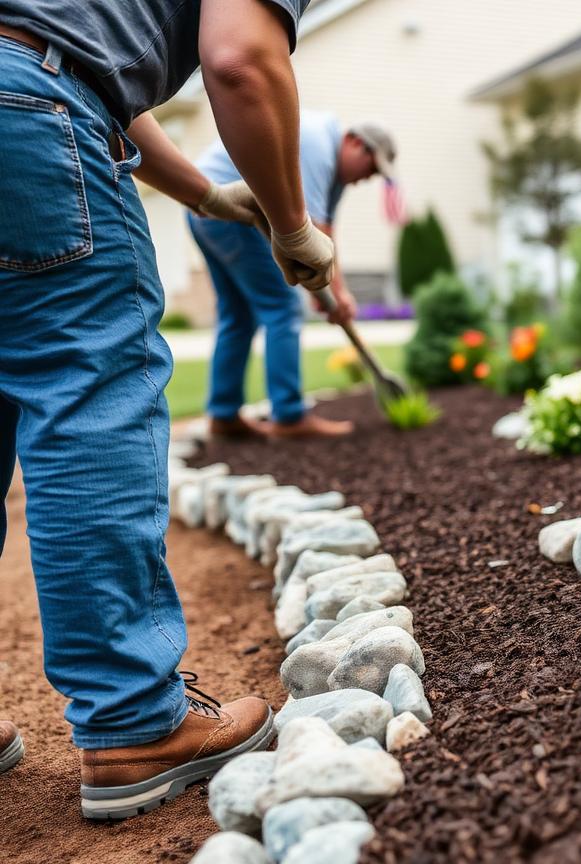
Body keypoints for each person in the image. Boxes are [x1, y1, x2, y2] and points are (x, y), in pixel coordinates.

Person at [0, 0, 334, 820]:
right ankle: (135, 723)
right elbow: (240, 60)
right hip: (29, 121)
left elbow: (77, 58)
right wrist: (293, 225)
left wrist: (207, 194)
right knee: (90, 400)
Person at [191, 114, 397, 439]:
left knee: (237, 315)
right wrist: (333, 294)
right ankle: (289, 416)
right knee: (283, 306)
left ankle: (224, 414)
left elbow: (325, 235)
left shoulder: (333, 173)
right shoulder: (318, 144)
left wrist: (336, 294)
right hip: (231, 204)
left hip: (202, 204)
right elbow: (309, 229)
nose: (366, 178)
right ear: (356, 142)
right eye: (370, 168)